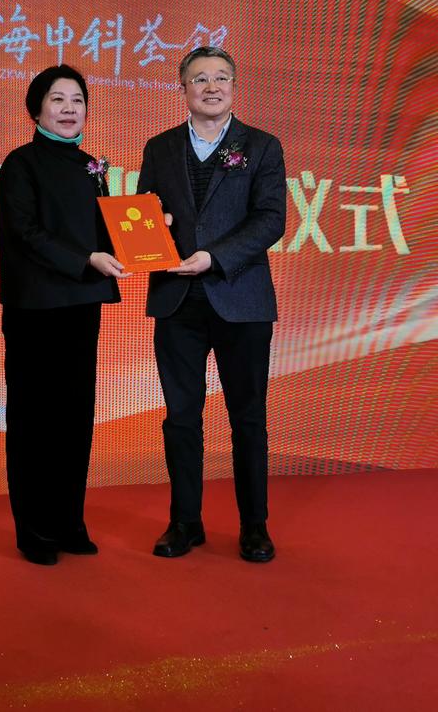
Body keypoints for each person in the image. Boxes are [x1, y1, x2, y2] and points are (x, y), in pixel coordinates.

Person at [136, 46, 286, 563]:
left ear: (234, 88)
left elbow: (271, 219)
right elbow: (145, 214)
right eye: (200, 78)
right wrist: (154, 228)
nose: (212, 87)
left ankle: (254, 526)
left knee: (248, 418)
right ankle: (185, 522)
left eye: (222, 77)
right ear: (182, 88)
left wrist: (214, 257)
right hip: (177, 301)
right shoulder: (159, 148)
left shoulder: (262, 146)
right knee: (181, 417)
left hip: (241, 300)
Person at [0, 64, 127, 565]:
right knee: (34, 418)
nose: (70, 109)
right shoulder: (20, 164)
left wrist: (148, 229)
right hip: (35, 306)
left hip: (81, 304)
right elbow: (26, 233)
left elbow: (105, 234)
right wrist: (85, 259)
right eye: (58, 99)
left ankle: (70, 521)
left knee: (75, 415)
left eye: (78, 100)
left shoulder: (93, 167)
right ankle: (34, 530)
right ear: (36, 109)